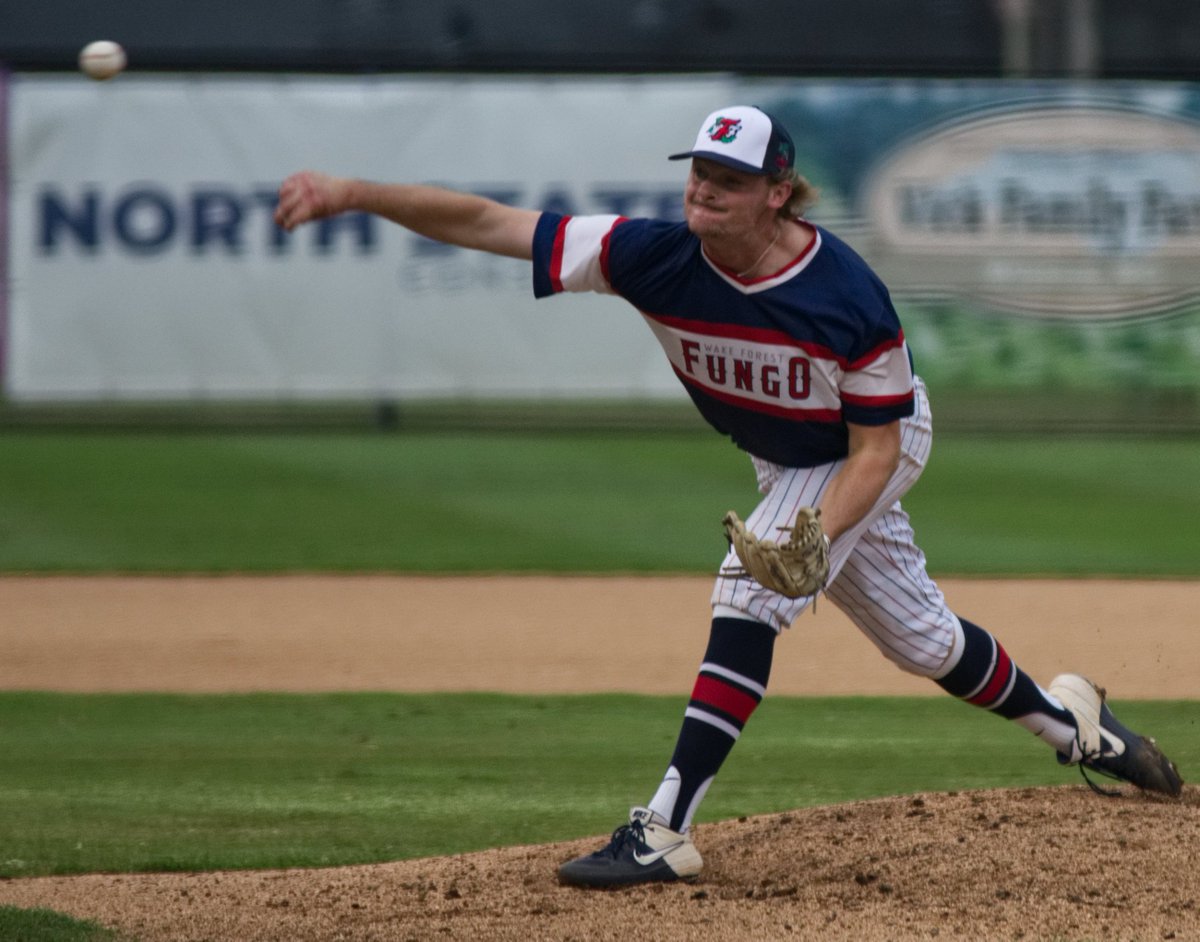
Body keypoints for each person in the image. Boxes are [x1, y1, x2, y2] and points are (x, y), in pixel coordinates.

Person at [275, 104, 1183, 888]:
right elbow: (489, 220)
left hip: (872, 443)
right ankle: (1076, 729)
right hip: (786, 459)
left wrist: (814, 537)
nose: (704, 189)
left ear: (778, 193)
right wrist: (356, 193)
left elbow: (875, 448)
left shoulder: (846, 297)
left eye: (730, 178)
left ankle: (664, 831)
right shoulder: (651, 257)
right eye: (700, 170)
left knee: (749, 592)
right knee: (923, 641)